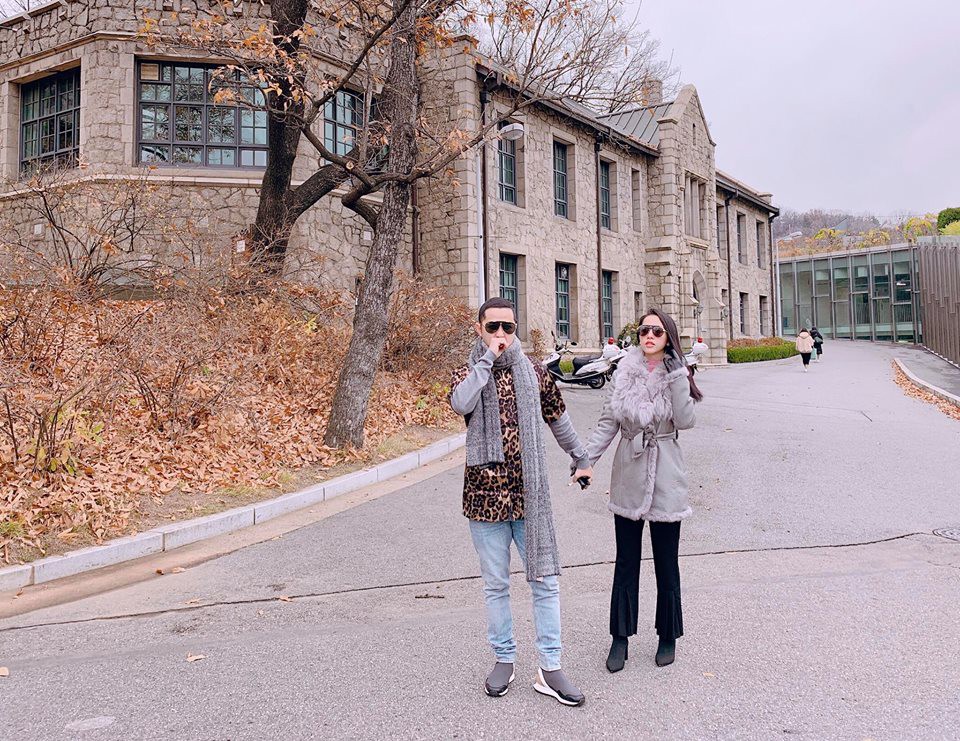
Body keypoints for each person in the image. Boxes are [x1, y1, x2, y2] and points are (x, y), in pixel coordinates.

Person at [449, 297, 592, 707]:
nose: (500, 334)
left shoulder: (535, 373)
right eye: (492, 327)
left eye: (508, 328)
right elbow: (461, 403)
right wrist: (486, 362)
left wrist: (581, 458)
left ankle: (550, 667)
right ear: (479, 328)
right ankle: (504, 658)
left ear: (516, 330)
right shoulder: (467, 372)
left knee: (544, 582)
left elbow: (558, 418)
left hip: (530, 498)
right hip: (485, 498)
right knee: (496, 585)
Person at [575, 308, 702, 673]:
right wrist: (586, 460)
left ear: (668, 337)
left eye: (657, 331)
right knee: (626, 562)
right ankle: (620, 638)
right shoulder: (624, 371)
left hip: (666, 473)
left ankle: (668, 635)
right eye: (645, 329)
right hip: (629, 473)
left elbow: (686, 420)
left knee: (667, 562)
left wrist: (678, 375)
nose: (649, 336)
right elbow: (607, 423)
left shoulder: (677, 372)